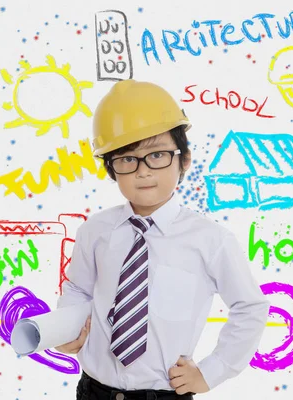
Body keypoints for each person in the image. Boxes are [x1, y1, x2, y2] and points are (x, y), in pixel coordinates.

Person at [55, 79, 270, 400]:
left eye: (157, 155)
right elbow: (78, 289)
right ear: (111, 169)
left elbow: (250, 306)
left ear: (184, 159)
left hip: (164, 394)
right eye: (127, 159)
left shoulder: (211, 240)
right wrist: (66, 326)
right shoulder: (96, 230)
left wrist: (213, 371)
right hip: (94, 391)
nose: (143, 171)